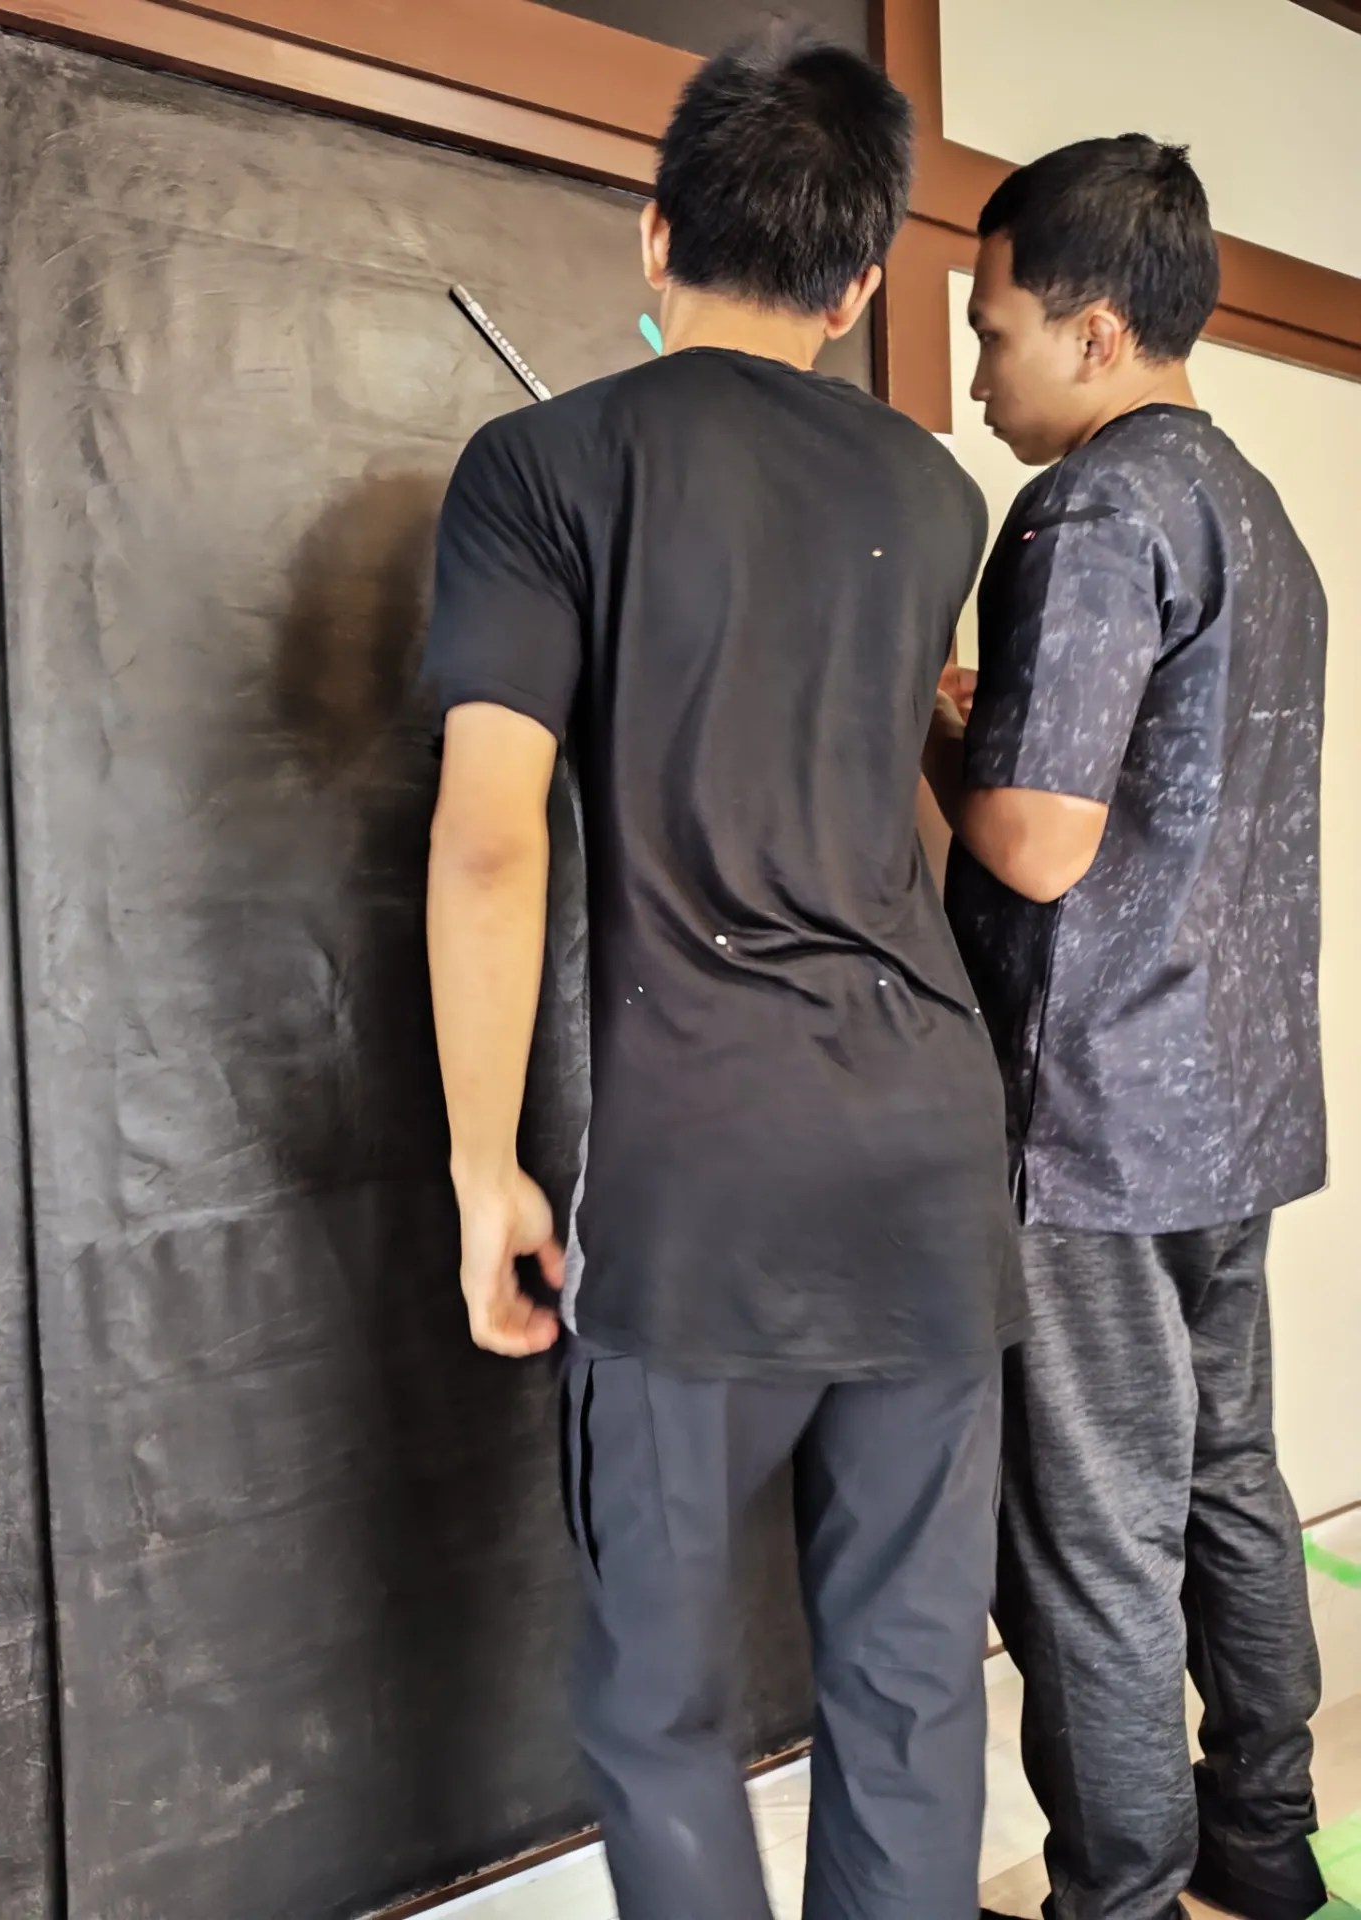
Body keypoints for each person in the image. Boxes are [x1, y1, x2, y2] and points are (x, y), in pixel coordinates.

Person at [423, 29, 1021, 1920]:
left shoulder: (540, 467)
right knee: (913, 1694)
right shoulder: (938, 493)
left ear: (655, 231)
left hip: (705, 1170)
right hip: (930, 1154)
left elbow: (491, 839)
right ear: (858, 287)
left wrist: (483, 1169)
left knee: (663, 1709)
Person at [924, 136, 1330, 1920]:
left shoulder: (1091, 508)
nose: (976, 373)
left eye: (992, 328)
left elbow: (1036, 843)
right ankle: (1264, 1844)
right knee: (1228, 1471)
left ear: (1094, 331)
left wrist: (940, 730)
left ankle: (1122, 1896)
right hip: (1230, 1098)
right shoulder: (1259, 511)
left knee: (1093, 1524)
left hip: (1090, 1115)